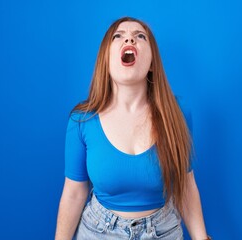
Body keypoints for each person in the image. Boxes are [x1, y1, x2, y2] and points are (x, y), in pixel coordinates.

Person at [55, 17, 210, 240]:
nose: (129, 38)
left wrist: (201, 238)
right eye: (118, 36)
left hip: (163, 231)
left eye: (140, 36)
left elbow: (185, 185)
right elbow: (73, 193)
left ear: (152, 62)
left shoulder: (178, 113)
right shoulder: (82, 120)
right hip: (98, 232)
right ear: (106, 59)